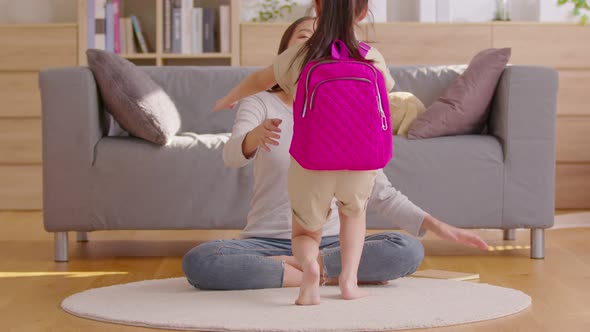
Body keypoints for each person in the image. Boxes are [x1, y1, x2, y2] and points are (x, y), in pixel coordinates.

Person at [182, 14, 488, 301]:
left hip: (332, 243)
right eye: (303, 37)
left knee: (406, 249)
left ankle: (302, 268)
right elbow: (231, 156)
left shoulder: (349, 110)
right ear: (286, 56)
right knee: (201, 261)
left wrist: (437, 225)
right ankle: (309, 271)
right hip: (264, 242)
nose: (313, 44)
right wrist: (252, 138)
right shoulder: (261, 102)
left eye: (320, 38)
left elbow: (377, 188)